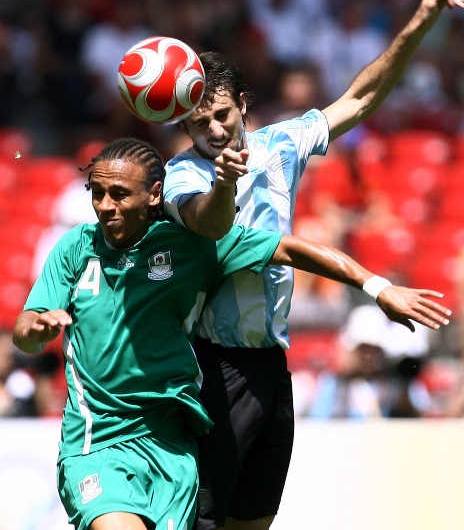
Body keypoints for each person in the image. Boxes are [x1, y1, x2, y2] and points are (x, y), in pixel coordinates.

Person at [11, 137, 451, 530]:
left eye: (119, 194)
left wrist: (377, 287)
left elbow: (289, 249)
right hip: (98, 442)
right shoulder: (75, 245)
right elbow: (26, 331)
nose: (105, 205)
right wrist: (39, 327)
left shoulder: (192, 244)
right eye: (98, 192)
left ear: (154, 196)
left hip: (172, 448)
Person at [162, 0, 464, 529]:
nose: (213, 130)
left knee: (254, 520)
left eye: (223, 115)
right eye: (198, 122)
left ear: (244, 105)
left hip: (272, 365)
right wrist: (227, 183)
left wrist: (419, 21)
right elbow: (209, 225)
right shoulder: (184, 175)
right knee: (201, 522)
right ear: (184, 126)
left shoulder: (283, 143)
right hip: (212, 364)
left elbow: (362, 98)